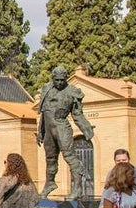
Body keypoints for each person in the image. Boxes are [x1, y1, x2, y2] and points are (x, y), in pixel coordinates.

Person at [36, 66, 94, 199]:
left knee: (69, 157)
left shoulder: (73, 92)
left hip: (62, 126)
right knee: (50, 158)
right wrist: (40, 131)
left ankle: (77, 189)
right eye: (57, 80)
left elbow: (77, 114)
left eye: (62, 80)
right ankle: (50, 183)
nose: (60, 83)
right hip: (48, 129)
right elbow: (43, 113)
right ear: (53, 79)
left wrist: (86, 128)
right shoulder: (47, 89)